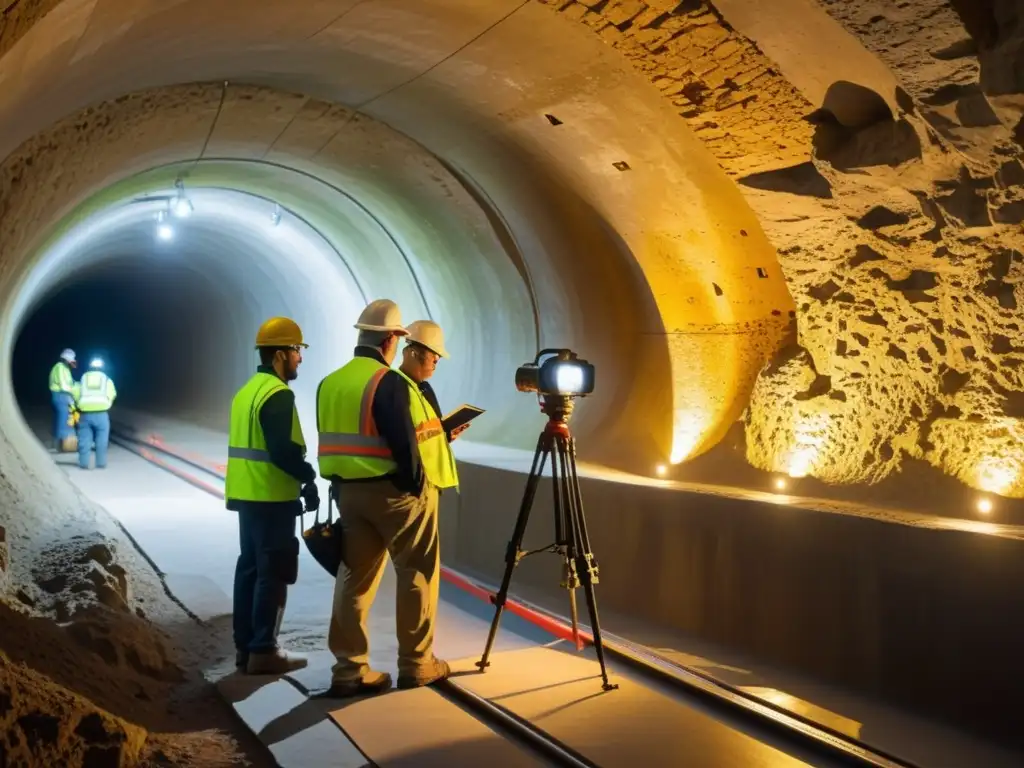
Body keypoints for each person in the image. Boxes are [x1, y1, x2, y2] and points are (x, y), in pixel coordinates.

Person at [315, 300, 459, 698]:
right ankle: (416, 664)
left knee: (353, 581)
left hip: (347, 494)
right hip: (395, 495)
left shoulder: (330, 382)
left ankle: (349, 670)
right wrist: (415, 487)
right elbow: (403, 443)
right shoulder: (388, 381)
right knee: (416, 573)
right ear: (392, 339)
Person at [225, 316, 320, 676]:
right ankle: (264, 649)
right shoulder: (278, 395)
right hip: (271, 497)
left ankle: (244, 648)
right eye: (297, 351)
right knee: (273, 570)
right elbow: (281, 451)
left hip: (247, 496)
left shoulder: (247, 392)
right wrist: (308, 477)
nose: (300, 358)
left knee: (249, 567)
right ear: (280, 354)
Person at [399, 320, 469, 444]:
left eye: (438, 358)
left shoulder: (425, 389)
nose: (436, 362)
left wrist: (446, 434)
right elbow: (402, 439)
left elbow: (424, 435)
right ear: (413, 353)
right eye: (434, 358)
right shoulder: (396, 388)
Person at [72, 358, 117, 469]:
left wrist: (79, 405)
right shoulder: (106, 379)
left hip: (85, 414)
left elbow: (75, 392)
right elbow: (113, 394)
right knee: (102, 439)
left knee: (84, 439)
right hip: (102, 414)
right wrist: (107, 403)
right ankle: (100, 463)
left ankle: (84, 463)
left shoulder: (83, 378)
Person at [48, 348, 77, 451]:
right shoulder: (59, 367)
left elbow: (71, 383)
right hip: (60, 395)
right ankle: (60, 444)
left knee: (62, 419)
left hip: (63, 395)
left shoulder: (65, 369)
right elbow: (64, 385)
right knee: (63, 420)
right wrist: (74, 392)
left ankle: (60, 443)